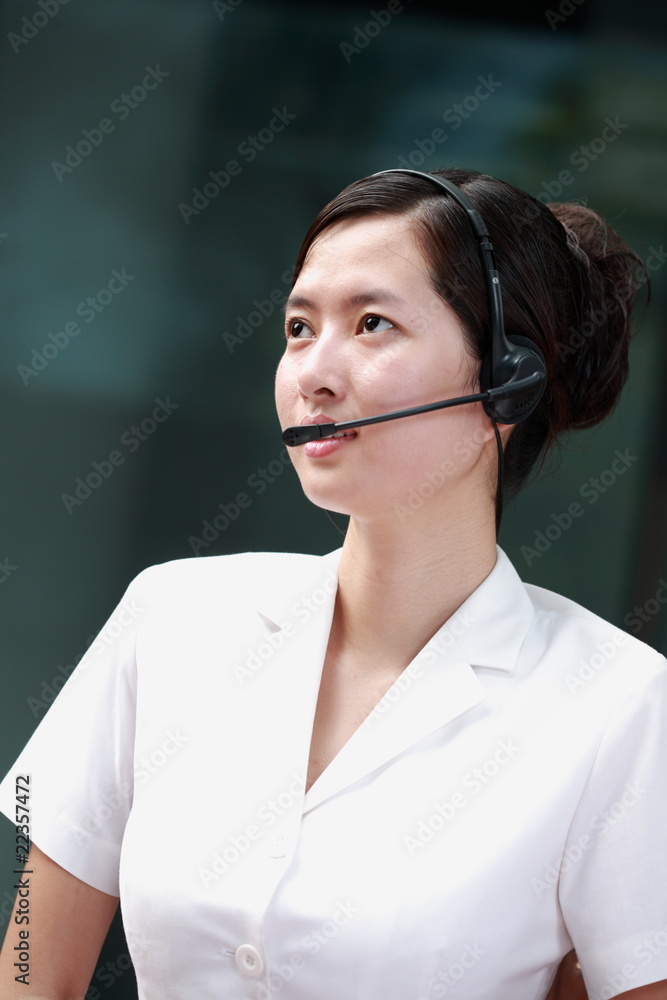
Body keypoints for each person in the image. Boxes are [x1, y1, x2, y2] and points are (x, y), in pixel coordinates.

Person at [0, 167, 665, 1000]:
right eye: (299, 326)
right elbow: (29, 971)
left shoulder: (617, 704)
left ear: (508, 379)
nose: (314, 369)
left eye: (372, 323)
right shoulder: (171, 617)